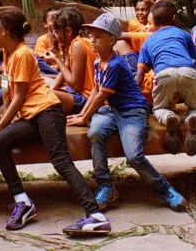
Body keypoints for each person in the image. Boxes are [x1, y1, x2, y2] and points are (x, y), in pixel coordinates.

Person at [0, 6, 109, 236]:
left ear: (5, 31)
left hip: (49, 112)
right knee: (0, 143)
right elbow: (6, 90)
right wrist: (2, 126)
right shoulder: (7, 54)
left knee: (60, 160)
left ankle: (96, 215)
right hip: (33, 117)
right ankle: (23, 202)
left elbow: (20, 98)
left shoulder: (22, 54)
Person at [70, 13, 186, 211]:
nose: (92, 40)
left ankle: (165, 189)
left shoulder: (115, 64)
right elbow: (96, 91)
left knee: (133, 156)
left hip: (133, 112)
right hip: (112, 110)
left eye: (98, 37)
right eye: (92, 35)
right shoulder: (99, 62)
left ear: (112, 40)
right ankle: (106, 186)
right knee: (95, 133)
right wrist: (82, 116)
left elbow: (99, 97)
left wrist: (85, 117)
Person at [136, 0, 196, 156]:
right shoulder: (183, 34)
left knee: (160, 108)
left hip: (164, 74)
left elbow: (139, 76)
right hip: (189, 71)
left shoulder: (148, 41)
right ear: (175, 18)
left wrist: (131, 99)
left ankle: (168, 118)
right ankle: (193, 119)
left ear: (153, 21)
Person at [43, 7, 94, 114]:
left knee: (42, 95)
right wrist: (50, 90)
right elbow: (62, 74)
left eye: (57, 32)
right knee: (42, 82)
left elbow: (76, 86)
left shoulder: (77, 45)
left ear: (68, 31)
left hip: (88, 100)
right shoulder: (75, 43)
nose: (56, 36)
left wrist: (57, 59)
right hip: (78, 94)